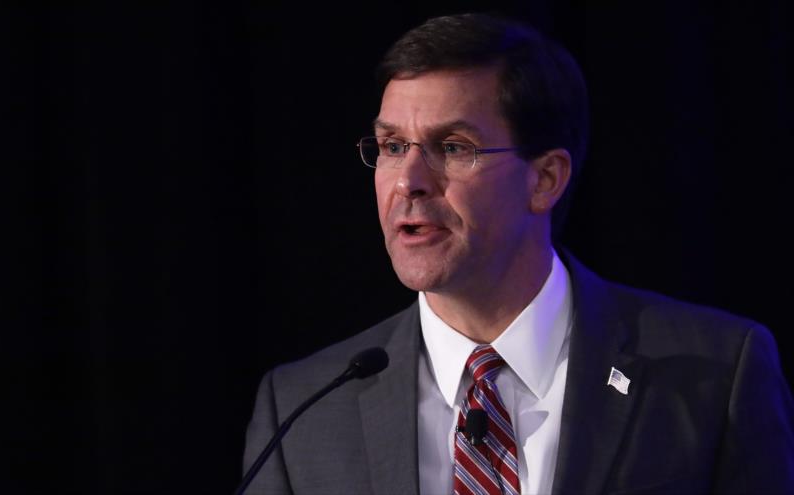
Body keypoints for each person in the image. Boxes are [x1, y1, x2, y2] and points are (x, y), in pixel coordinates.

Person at [242, 13, 794, 495]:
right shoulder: (303, 409)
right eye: (391, 147)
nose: (408, 181)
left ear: (545, 178)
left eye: (452, 147)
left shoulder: (717, 374)